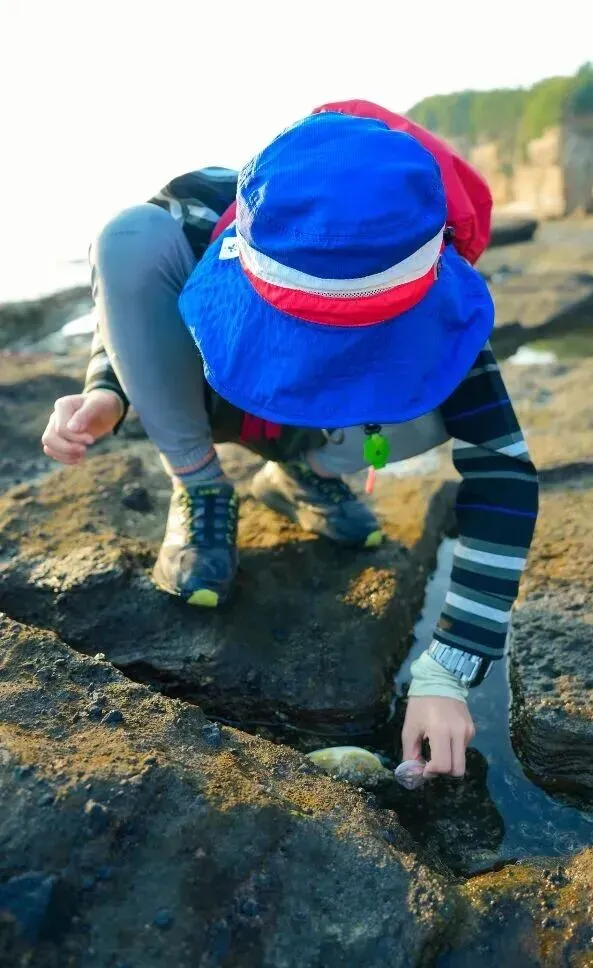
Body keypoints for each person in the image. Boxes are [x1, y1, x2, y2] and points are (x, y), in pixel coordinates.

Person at [41, 102, 538, 781]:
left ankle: (308, 473)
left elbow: (503, 469)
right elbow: (128, 303)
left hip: (329, 428)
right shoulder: (211, 212)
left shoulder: (435, 286)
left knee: (439, 401)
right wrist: (109, 390)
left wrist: (448, 668)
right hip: (219, 399)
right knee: (128, 234)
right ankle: (199, 485)